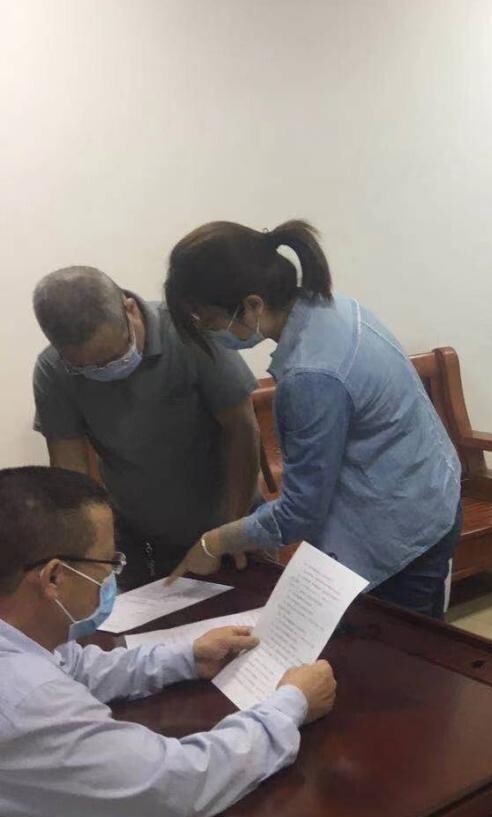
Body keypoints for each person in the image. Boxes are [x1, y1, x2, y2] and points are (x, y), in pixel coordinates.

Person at [0, 466, 336, 817]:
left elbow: (74, 667)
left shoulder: (21, 640)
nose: (111, 578)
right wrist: (290, 705)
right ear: (54, 578)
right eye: (108, 564)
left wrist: (186, 657)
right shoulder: (24, 701)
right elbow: (178, 784)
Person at [162, 220, 463, 618]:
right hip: (424, 494)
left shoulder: (311, 375)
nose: (209, 332)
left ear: (252, 305)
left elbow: (300, 513)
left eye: (210, 320)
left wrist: (213, 543)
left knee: (407, 649)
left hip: (403, 536)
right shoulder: (334, 307)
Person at [32, 267, 262, 588]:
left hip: (229, 523)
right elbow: (71, 477)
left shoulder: (187, 330)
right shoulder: (53, 370)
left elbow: (243, 431)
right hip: (139, 539)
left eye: (113, 356)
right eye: (86, 367)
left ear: (129, 309)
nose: (105, 370)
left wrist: (231, 530)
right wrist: (87, 559)